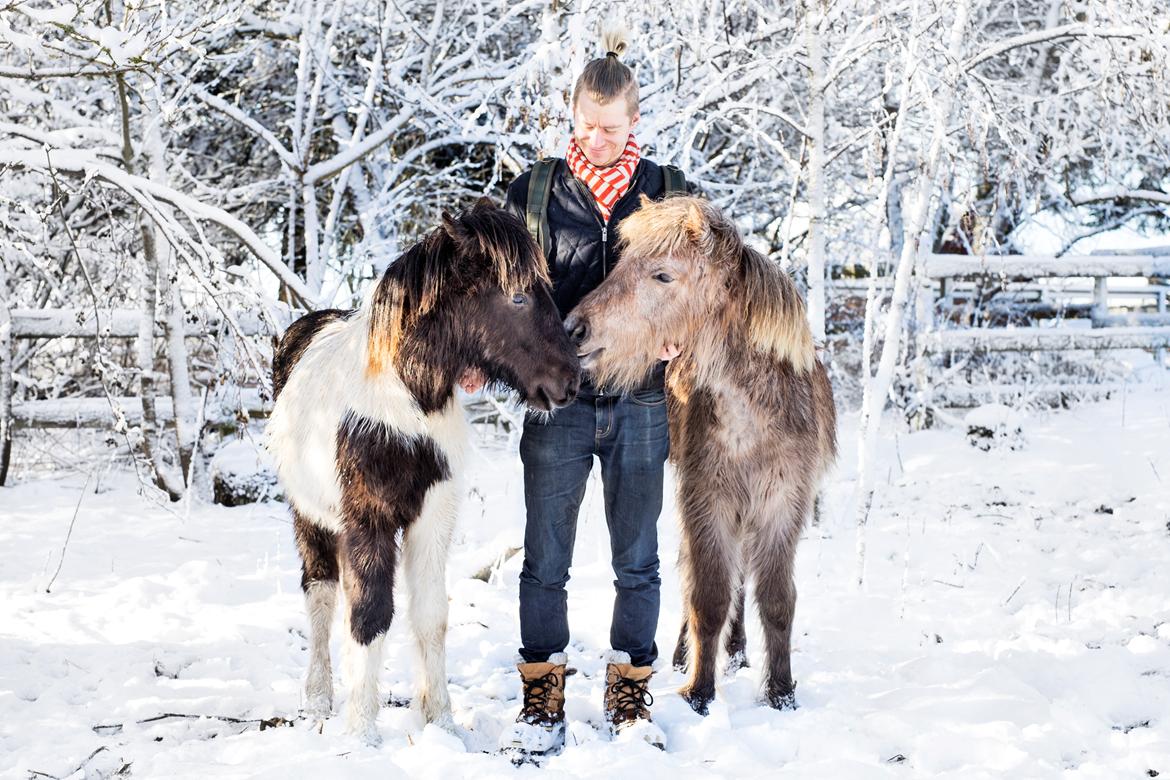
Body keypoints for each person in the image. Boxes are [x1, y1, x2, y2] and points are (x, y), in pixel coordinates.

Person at [488, 24, 690, 755]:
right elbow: (498, 294)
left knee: (637, 559)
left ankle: (630, 697)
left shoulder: (668, 194)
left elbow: (700, 290)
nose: (597, 139)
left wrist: (682, 339)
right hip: (558, 405)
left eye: (610, 127)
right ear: (571, 116)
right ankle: (541, 699)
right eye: (585, 125)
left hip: (640, 400)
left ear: (634, 120)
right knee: (546, 558)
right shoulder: (535, 192)